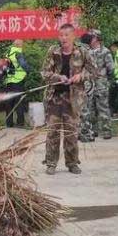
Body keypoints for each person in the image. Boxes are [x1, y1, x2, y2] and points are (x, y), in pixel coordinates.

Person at [42, 24, 96, 175]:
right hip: (55, 97)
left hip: (73, 98)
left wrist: (81, 76)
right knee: (53, 131)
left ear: (73, 36)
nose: (63, 38)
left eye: (66, 35)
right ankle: (51, 163)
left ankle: (72, 163)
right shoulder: (53, 51)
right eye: (61, 35)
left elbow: (93, 71)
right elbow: (45, 73)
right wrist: (58, 77)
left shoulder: (82, 51)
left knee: (71, 132)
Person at [79, 30, 114, 141]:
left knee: (103, 107)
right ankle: (92, 130)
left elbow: (111, 68)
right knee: (89, 107)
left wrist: (104, 78)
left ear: (96, 38)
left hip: (101, 83)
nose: (90, 39)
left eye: (92, 37)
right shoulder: (86, 51)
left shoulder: (105, 52)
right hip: (88, 84)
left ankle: (106, 130)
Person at [3, 39, 30, 128]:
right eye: (22, 44)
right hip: (18, 81)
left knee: (9, 103)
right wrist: (28, 70)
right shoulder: (18, 53)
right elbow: (24, 65)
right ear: (20, 45)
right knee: (19, 102)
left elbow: (4, 69)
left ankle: (9, 123)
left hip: (9, 82)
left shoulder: (8, 54)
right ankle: (20, 123)